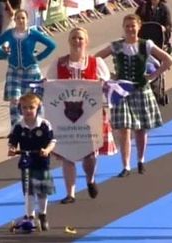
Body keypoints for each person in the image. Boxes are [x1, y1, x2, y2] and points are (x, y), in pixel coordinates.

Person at [96, 14, 172, 178]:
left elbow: (168, 60)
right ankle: (125, 165)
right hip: (121, 90)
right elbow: (95, 59)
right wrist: (108, 76)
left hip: (140, 89)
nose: (130, 29)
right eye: (127, 26)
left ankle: (141, 160)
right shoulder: (116, 46)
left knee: (140, 128)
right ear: (123, 28)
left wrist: (153, 76)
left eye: (133, 26)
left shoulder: (146, 45)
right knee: (124, 129)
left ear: (139, 27)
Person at [46, 27, 117, 204]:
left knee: (90, 156)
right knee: (67, 154)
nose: (77, 41)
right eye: (73, 38)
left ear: (86, 42)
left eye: (80, 38)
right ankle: (70, 193)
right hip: (65, 116)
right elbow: (49, 87)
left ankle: (90, 179)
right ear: (69, 41)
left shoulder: (96, 63)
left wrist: (101, 84)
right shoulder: (58, 63)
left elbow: (107, 85)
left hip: (90, 117)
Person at [0, 9, 56, 127]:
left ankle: (39, 125)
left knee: (34, 99)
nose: (20, 20)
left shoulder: (33, 33)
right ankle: (15, 127)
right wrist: (4, 55)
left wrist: (39, 57)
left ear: (27, 20)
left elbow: (52, 45)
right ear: (14, 20)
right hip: (14, 70)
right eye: (18, 18)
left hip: (31, 69)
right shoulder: (10, 33)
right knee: (15, 100)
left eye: (23, 18)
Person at [8, 92, 56, 231]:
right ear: (20, 109)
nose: (28, 111)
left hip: (41, 160)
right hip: (26, 160)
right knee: (28, 190)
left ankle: (43, 214)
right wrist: (12, 149)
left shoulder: (44, 124)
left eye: (31, 107)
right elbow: (12, 142)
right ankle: (29, 216)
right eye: (24, 108)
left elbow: (52, 140)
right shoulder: (18, 126)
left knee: (41, 190)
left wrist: (47, 150)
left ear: (37, 108)